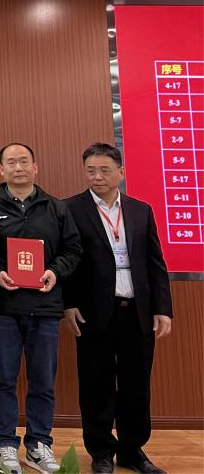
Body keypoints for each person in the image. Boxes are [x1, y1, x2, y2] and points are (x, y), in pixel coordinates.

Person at [62, 143, 172, 474]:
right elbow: (66, 260)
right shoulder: (71, 209)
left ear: (120, 172)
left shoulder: (141, 210)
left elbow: (155, 262)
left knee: (136, 384)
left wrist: (162, 308)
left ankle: (132, 450)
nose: (97, 176)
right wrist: (68, 304)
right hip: (93, 312)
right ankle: (100, 451)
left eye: (104, 170)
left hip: (137, 310)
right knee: (95, 383)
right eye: (90, 171)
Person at [0, 142, 82, 474]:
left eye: (24, 162)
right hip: (5, 307)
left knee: (42, 380)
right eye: (11, 162)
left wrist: (55, 271)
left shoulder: (56, 207)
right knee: (4, 378)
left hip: (46, 307)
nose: (18, 167)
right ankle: (6, 444)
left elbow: (73, 250)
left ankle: (38, 444)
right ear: (1, 170)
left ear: (35, 167)